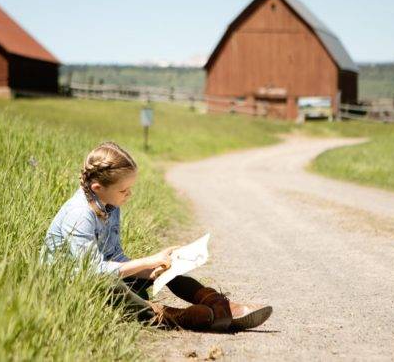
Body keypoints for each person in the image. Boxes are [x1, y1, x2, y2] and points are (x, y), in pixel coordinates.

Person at [41, 141, 272, 331]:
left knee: (167, 267)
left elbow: (114, 256)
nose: (129, 195)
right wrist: (146, 262)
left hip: (101, 274)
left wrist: (152, 268)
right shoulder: (80, 215)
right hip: (74, 285)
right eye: (124, 190)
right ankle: (171, 317)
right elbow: (91, 271)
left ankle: (221, 306)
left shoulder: (109, 205)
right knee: (112, 285)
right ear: (98, 187)